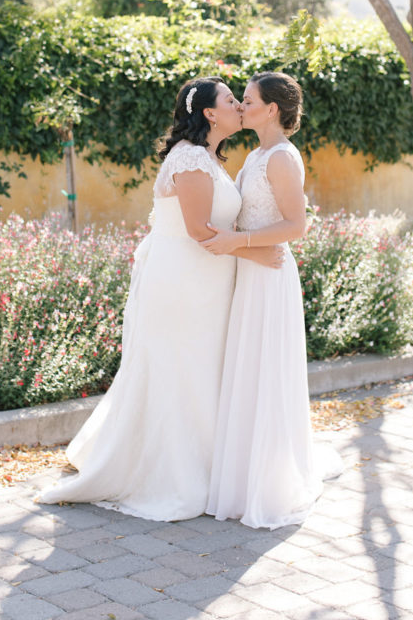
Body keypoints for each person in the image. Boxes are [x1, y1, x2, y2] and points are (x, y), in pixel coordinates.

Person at [37, 76, 282, 520]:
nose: (239, 107)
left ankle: (208, 467)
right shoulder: (190, 159)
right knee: (181, 371)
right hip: (183, 281)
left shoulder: (211, 157)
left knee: (200, 372)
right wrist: (261, 252)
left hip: (206, 279)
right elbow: (199, 230)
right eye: (231, 101)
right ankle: (177, 474)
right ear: (209, 113)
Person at [203, 71, 342, 529]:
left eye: (247, 100)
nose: (240, 107)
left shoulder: (282, 158)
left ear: (271, 110)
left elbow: (296, 226)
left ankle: (269, 480)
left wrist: (237, 242)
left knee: (266, 371)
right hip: (250, 273)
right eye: (240, 100)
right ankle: (243, 475)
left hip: (269, 276)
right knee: (248, 370)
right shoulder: (256, 155)